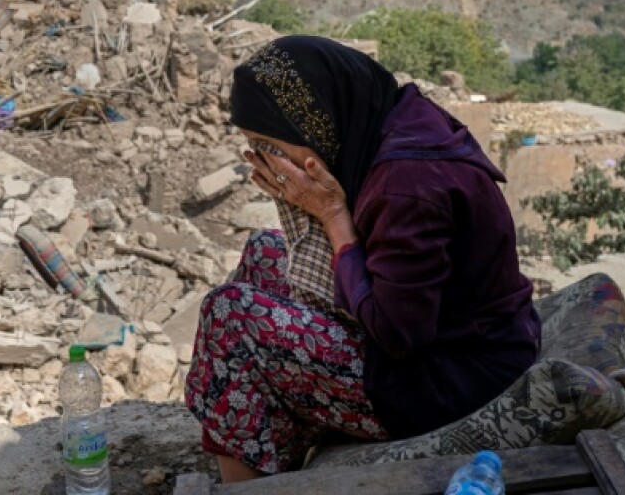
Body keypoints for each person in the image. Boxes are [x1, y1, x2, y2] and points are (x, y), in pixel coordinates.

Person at [185, 37, 541, 482]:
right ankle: (268, 439)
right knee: (263, 252)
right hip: (445, 334)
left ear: (312, 126)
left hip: (452, 375)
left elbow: (397, 333)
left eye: (270, 145)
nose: (269, 162)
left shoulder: (405, 187)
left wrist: (333, 215)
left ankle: (248, 482)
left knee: (229, 315)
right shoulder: (392, 119)